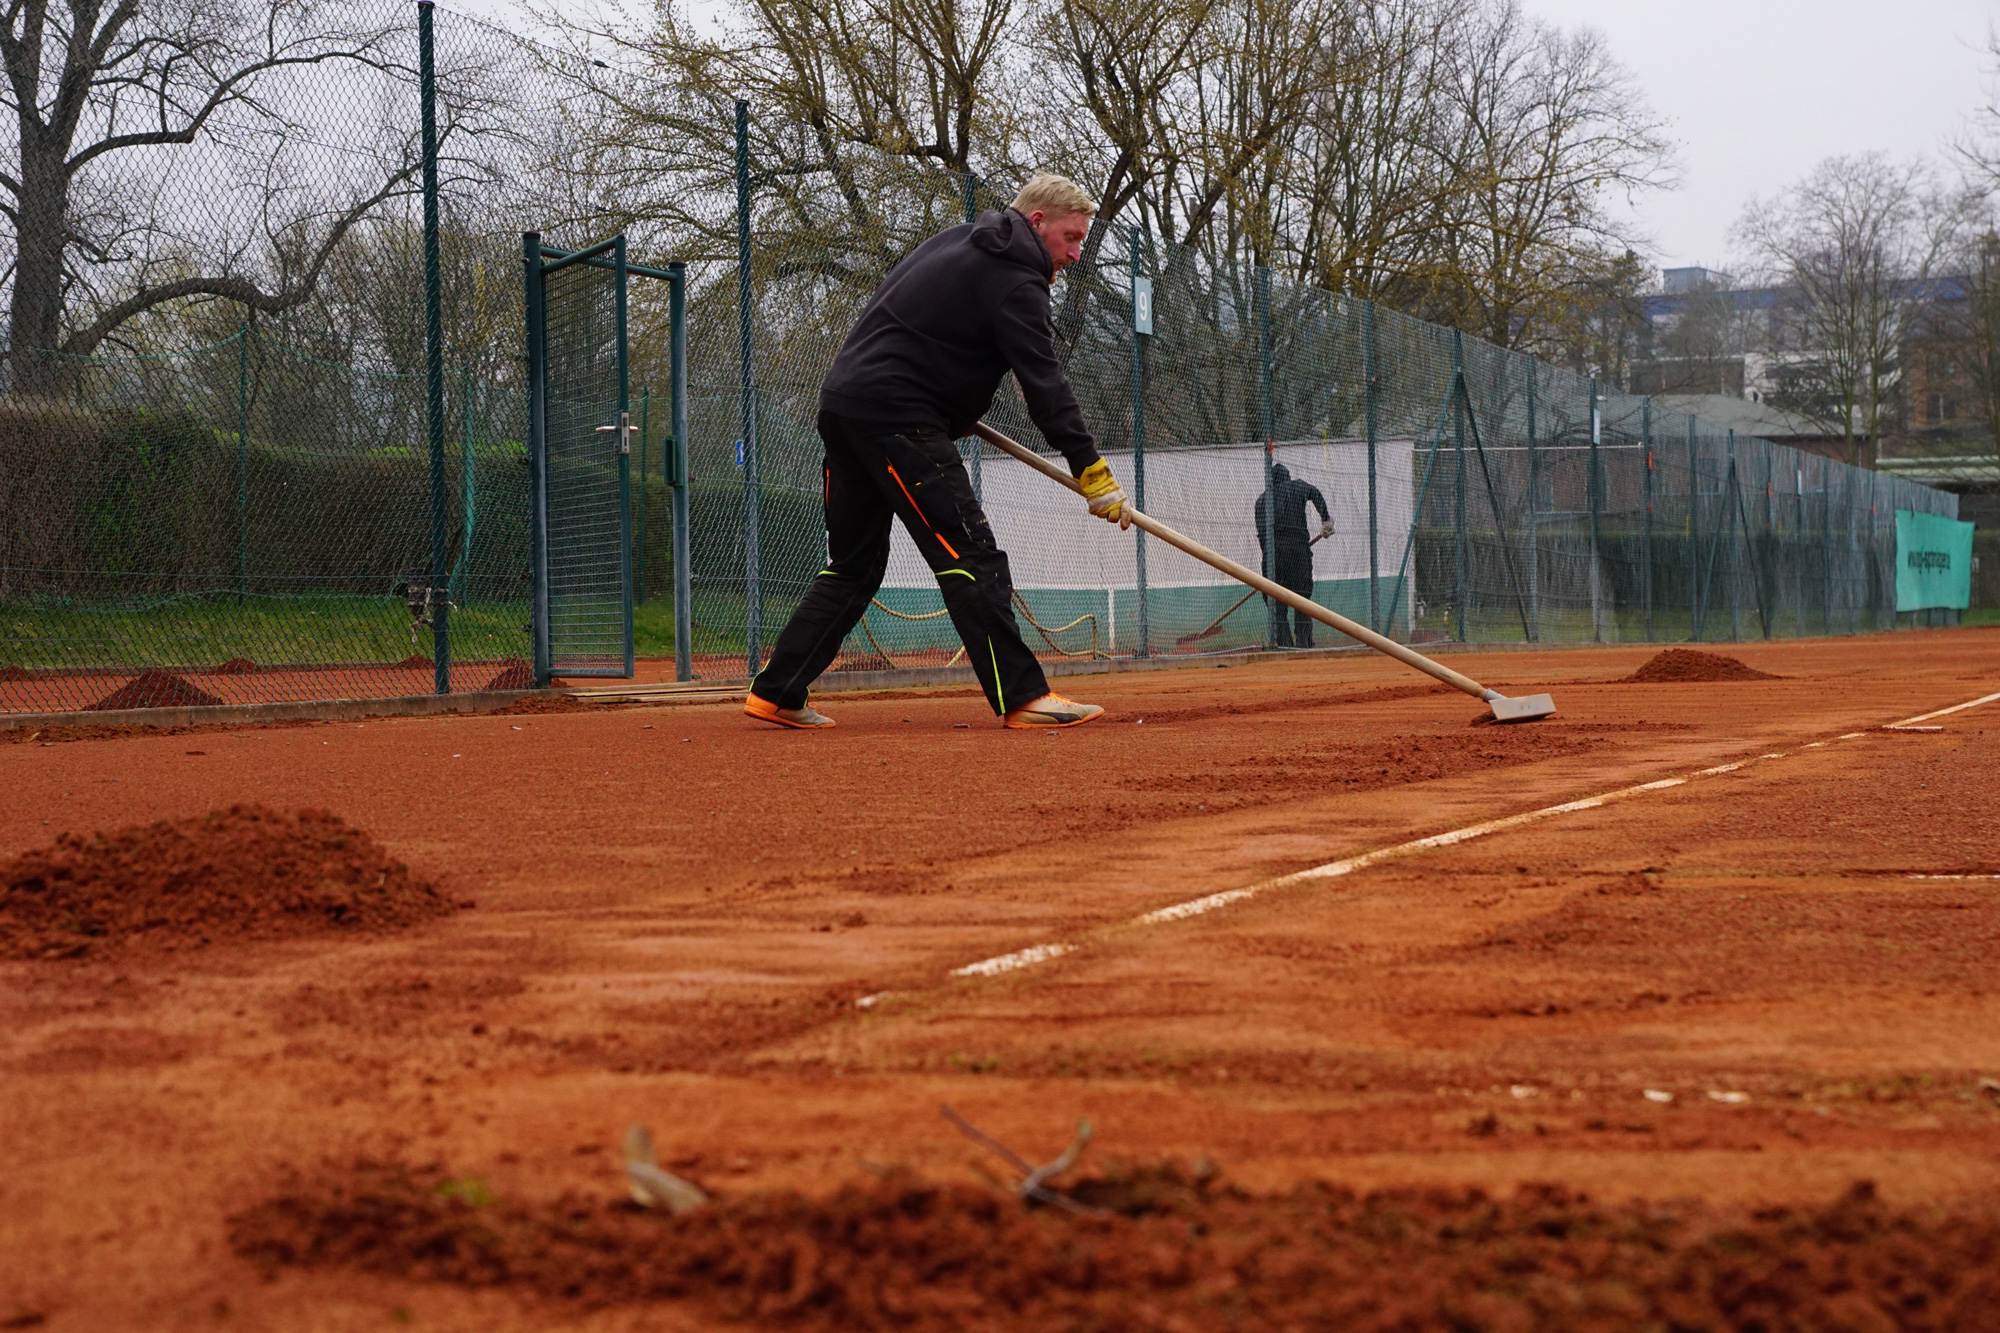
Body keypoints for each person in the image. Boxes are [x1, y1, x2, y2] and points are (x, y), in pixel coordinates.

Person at [743, 174, 1133, 730]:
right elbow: (1044, 386)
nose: (1075, 254)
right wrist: (1089, 470)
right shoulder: (1017, 278)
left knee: (852, 567)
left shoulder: (958, 241)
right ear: (1038, 221)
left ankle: (777, 690)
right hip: (897, 418)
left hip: (845, 405)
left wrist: (950, 413)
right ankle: (1025, 697)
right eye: (1071, 238)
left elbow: (920, 329)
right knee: (970, 554)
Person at [1253, 463, 1331, 648]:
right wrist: (1326, 519)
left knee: (1276, 605)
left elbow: (1262, 537)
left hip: (1273, 559)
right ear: (1287, 477)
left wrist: (1269, 561)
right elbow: (1315, 493)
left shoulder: (1262, 500)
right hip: (1298, 555)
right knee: (1302, 601)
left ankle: (1285, 644)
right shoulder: (1297, 487)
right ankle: (1304, 644)